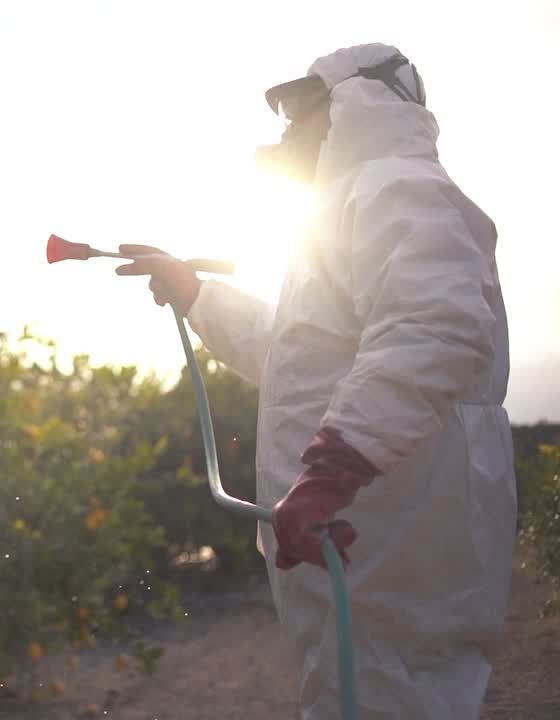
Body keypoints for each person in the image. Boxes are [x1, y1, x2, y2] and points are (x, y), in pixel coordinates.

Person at [117, 43, 516, 719]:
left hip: (392, 526)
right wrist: (198, 296)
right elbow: (297, 356)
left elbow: (435, 332)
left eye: (299, 112)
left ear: (354, 107)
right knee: (359, 689)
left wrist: (332, 470)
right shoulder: (345, 212)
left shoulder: (396, 186)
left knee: (400, 693)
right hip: (365, 532)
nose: (283, 133)